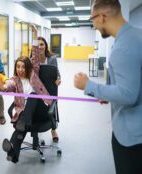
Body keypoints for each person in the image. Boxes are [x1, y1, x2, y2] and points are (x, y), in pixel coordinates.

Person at [74, 0, 142, 173]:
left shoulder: (122, 48)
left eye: (92, 19)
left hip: (131, 137)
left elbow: (127, 95)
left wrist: (89, 85)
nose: (94, 25)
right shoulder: (136, 36)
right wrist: (107, 94)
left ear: (102, 17)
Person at [2, 43, 53, 163]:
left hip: (41, 110)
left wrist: (35, 37)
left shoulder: (33, 73)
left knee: (33, 95)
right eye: (18, 67)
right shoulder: (15, 80)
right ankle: (13, 154)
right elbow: (9, 84)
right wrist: (4, 86)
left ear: (28, 68)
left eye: (23, 67)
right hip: (25, 114)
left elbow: (35, 56)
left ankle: (24, 122)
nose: (20, 70)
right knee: (21, 128)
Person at [35, 35, 61, 143]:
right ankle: (36, 128)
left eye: (42, 44)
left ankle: (53, 130)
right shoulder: (33, 59)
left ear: (46, 46)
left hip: (50, 87)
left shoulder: (52, 59)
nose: (40, 47)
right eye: (38, 45)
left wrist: (59, 79)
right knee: (37, 107)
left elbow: (57, 73)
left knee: (52, 107)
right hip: (37, 88)